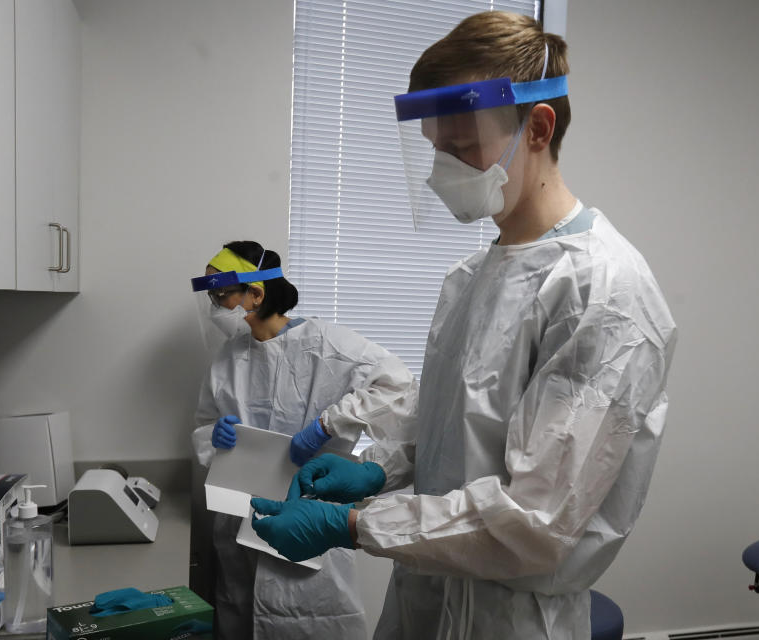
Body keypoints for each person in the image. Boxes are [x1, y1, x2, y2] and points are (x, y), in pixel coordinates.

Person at [250, 11, 678, 640]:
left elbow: (536, 520)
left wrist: (356, 527)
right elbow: (464, 427)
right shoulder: (472, 277)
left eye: (462, 148)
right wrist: (384, 466)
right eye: (434, 149)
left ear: (538, 126)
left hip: (513, 618)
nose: (441, 170)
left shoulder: (605, 294)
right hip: (427, 592)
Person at [190, 240, 418, 640]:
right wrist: (214, 436)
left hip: (311, 523)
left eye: (221, 294)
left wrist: (327, 424)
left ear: (256, 294)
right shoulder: (228, 358)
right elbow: (205, 424)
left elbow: (397, 386)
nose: (216, 306)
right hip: (240, 526)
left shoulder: (328, 347)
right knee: (240, 618)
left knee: (311, 622)